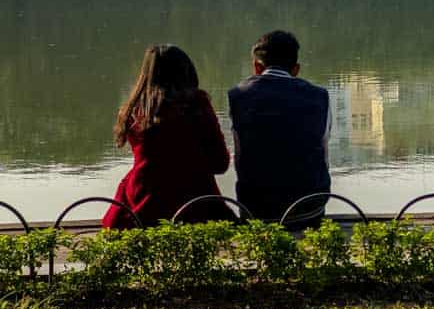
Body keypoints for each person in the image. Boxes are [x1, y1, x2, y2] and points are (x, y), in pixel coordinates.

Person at [104, 45, 232, 229]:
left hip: (143, 205)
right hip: (195, 206)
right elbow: (220, 163)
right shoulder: (196, 105)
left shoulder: (133, 110)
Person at [228, 30, 331, 226]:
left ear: (256, 67)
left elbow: (240, 156)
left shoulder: (237, 96)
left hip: (256, 210)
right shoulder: (320, 97)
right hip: (309, 209)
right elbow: (323, 156)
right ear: (296, 69)